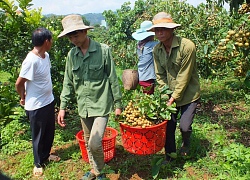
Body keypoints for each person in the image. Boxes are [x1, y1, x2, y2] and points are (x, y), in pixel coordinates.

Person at [57, 14, 123, 180]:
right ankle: (95, 170)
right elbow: (68, 82)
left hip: (101, 104)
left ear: (85, 32)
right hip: (83, 106)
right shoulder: (72, 56)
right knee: (87, 141)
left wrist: (118, 103)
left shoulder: (103, 50)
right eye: (70, 37)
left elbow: (113, 78)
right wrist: (62, 107)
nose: (73, 39)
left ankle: (100, 171)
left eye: (76, 35)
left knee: (94, 142)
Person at [147, 12, 201, 162]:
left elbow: (184, 76)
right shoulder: (157, 50)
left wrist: (173, 97)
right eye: (157, 30)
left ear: (172, 30)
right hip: (169, 94)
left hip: (189, 93)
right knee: (167, 127)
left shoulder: (187, 46)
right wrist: (165, 95)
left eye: (163, 29)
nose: (160, 33)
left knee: (184, 126)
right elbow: (160, 75)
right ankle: (169, 155)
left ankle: (186, 142)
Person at [15, 27, 60, 177]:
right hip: (36, 105)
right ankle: (37, 163)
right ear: (47, 41)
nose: (52, 42)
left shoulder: (45, 56)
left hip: (48, 101)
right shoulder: (31, 61)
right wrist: (23, 97)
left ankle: (46, 155)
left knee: (49, 132)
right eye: (51, 39)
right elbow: (19, 83)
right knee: (38, 136)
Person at [132, 21, 158, 94]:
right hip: (148, 77)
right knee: (148, 99)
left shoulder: (140, 44)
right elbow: (164, 43)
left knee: (146, 97)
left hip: (142, 75)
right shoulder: (150, 45)